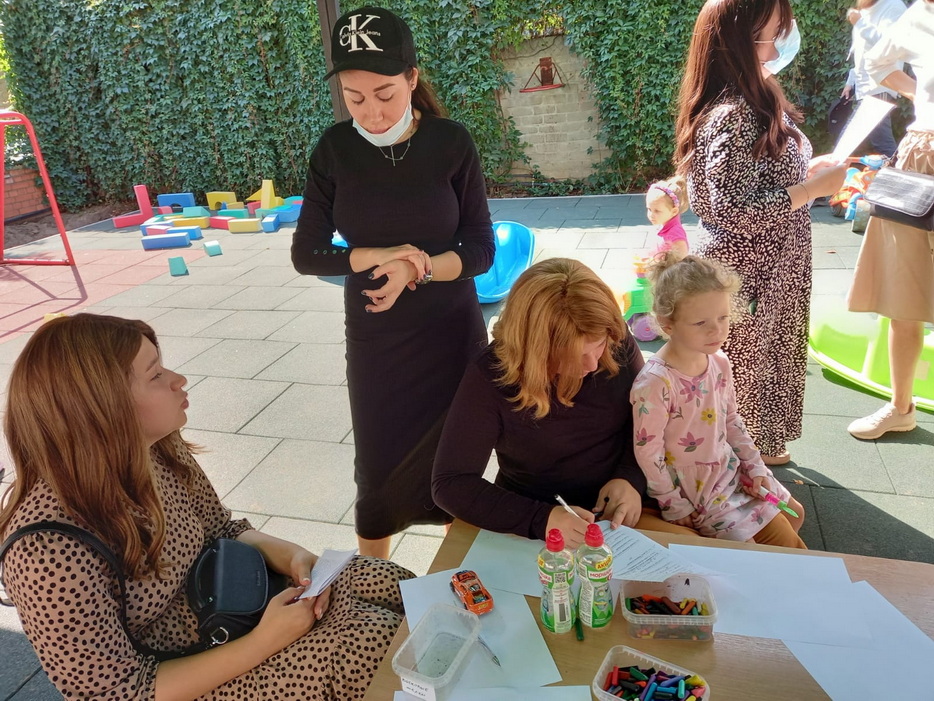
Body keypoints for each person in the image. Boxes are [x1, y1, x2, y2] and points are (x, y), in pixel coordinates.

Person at [0, 314, 413, 699]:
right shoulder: (46, 552)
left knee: (386, 582)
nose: (178, 380)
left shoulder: (155, 447)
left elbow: (221, 529)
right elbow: (119, 691)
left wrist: (294, 557)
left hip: (228, 601)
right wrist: (267, 640)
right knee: (365, 646)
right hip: (181, 666)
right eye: (155, 375)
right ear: (102, 409)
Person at [291, 7, 495, 557]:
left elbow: (480, 248)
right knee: (377, 472)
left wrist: (417, 266)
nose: (372, 113)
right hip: (377, 340)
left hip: (451, 333)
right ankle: (370, 582)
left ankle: (456, 577)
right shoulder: (335, 149)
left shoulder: (451, 142)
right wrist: (378, 256)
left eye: (384, 93)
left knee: (456, 465)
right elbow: (307, 254)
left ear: (412, 77)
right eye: (354, 98)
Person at [674, 0, 847, 466]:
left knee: (770, 354)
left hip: (776, 264)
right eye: (771, 34)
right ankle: (738, 456)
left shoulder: (756, 95)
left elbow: (763, 173)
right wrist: (810, 189)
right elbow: (730, 208)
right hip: (747, 272)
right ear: (739, 41)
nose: (777, 46)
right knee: (746, 365)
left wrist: (810, 170)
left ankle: (759, 444)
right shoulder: (732, 113)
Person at [431, 258, 703, 550]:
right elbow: (450, 483)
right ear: (535, 350)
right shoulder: (491, 375)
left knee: (695, 555)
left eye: (598, 346)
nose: (593, 364)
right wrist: (542, 518)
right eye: (574, 356)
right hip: (535, 514)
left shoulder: (611, 336)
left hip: (618, 509)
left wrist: (630, 478)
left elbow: (645, 421)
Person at [630, 254, 806, 548]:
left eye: (723, 317)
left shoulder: (719, 361)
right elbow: (648, 452)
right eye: (701, 322)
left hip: (731, 470)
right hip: (697, 490)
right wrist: (672, 501)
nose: (717, 330)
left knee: (794, 512)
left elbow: (731, 419)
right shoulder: (655, 382)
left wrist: (755, 466)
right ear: (667, 323)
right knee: (746, 550)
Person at [847, 0, 934, 439]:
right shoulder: (919, 14)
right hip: (922, 155)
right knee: (904, 293)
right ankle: (901, 407)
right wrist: (921, 95)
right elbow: (877, 63)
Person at [841, 0, 908, 159]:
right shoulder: (869, 9)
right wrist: (851, 81)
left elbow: (889, 47)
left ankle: (899, 172)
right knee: (851, 143)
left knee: (851, 144)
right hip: (868, 87)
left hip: (880, 85)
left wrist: (860, 23)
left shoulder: (894, 6)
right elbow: (863, 52)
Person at [646, 176, 690, 257]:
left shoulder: (676, 235)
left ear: (674, 211)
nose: (651, 215)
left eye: (657, 211)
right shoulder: (662, 224)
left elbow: (682, 260)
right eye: (649, 209)